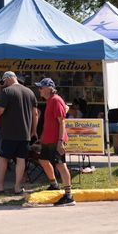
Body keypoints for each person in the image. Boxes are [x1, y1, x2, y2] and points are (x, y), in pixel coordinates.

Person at [0, 71, 38, 195]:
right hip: (25, 134)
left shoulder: (6, 92)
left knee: (3, 158)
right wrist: (33, 130)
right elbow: (35, 114)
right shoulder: (30, 92)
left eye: (4, 81)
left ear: (9, 78)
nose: (4, 84)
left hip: (9, 133)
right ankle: (17, 188)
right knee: (21, 159)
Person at [35, 78, 75, 207]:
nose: (39, 90)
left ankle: (69, 196)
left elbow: (61, 121)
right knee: (43, 160)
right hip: (48, 139)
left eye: (41, 87)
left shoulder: (56, 100)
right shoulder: (50, 101)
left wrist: (60, 141)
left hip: (55, 140)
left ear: (48, 88)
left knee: (60, 165)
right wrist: (42, 137)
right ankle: (54, 184)